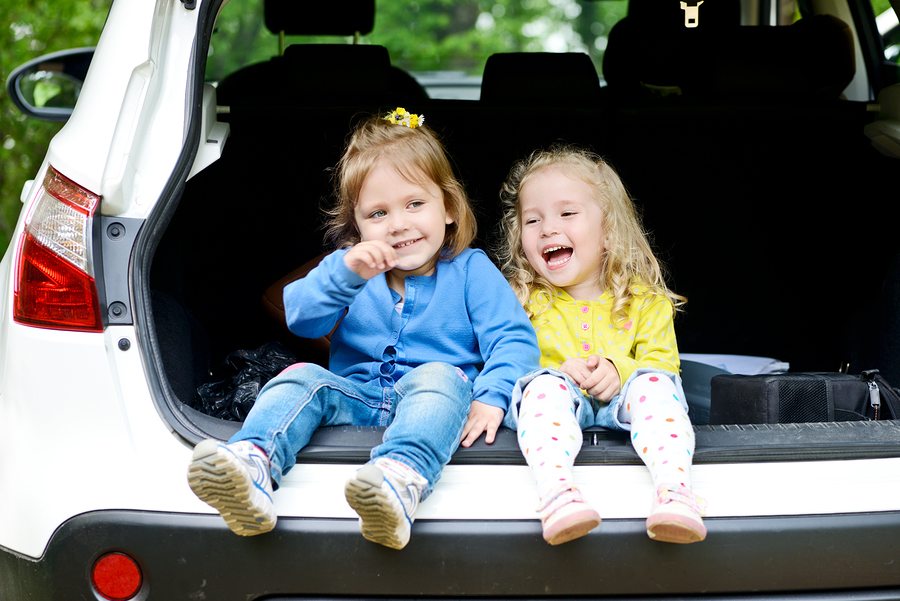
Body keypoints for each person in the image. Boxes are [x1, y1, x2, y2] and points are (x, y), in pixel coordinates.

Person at [186, 107, 539, 550]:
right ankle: (253, 465)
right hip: (358, 401)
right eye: (378, 213)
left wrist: (492, 396)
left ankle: (399, 480)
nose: (398, 224)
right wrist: (345, 275)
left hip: (436, 408)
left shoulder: (471, 270)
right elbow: (301, 317)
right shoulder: (350, 269)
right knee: (301, 377)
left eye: (415, 204)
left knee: (439, 375)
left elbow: (513, 339)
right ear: (357, 225)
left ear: (449, 208)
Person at [495, 144, 706, 546]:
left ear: (609, 229)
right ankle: (557, 494)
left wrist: (619, 370)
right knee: (541, 388)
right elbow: (506, 367)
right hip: (556, 411)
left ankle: (675, 491)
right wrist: (555, 374)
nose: (548, 229)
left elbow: (664, 365)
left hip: (627, 406)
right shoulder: (520, 302)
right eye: (532, 219)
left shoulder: (646, 301)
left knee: (655, 386)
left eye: (567, 214)